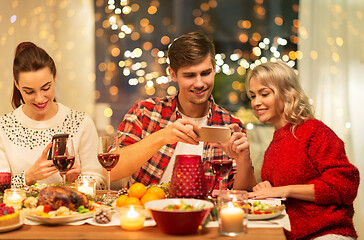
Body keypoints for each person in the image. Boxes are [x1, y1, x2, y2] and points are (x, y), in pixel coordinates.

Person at [110, 31, 256, 190]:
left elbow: (244, 194)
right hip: (146, 211)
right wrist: (162, 136)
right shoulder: (145, 112)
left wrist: (243, 161)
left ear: (214, 68)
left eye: (205, 73)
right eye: (190, 75)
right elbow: (111, 171)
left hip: (205, 213)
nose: (200, 83)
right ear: (172, 74)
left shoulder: (231, 124)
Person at [245, 61, 360, 240]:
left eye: (264, 94)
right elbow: (280, 197)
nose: (256, 102)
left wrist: (283, 190)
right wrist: (266, 189)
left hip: (327, 234)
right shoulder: (274, 144)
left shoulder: (313, 131)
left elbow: (345, 185)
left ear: (287, 93)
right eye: (252, 96)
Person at [0, 42, 105, 189]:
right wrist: (29, 176)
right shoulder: (4, 127)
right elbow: (1, 190)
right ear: (17, 84)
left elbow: (100, 181)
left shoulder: (81, 122)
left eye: (46, 88)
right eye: (29, 92)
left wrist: (76, 180)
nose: (39, 99)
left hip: (70, 211)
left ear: (55, 78)